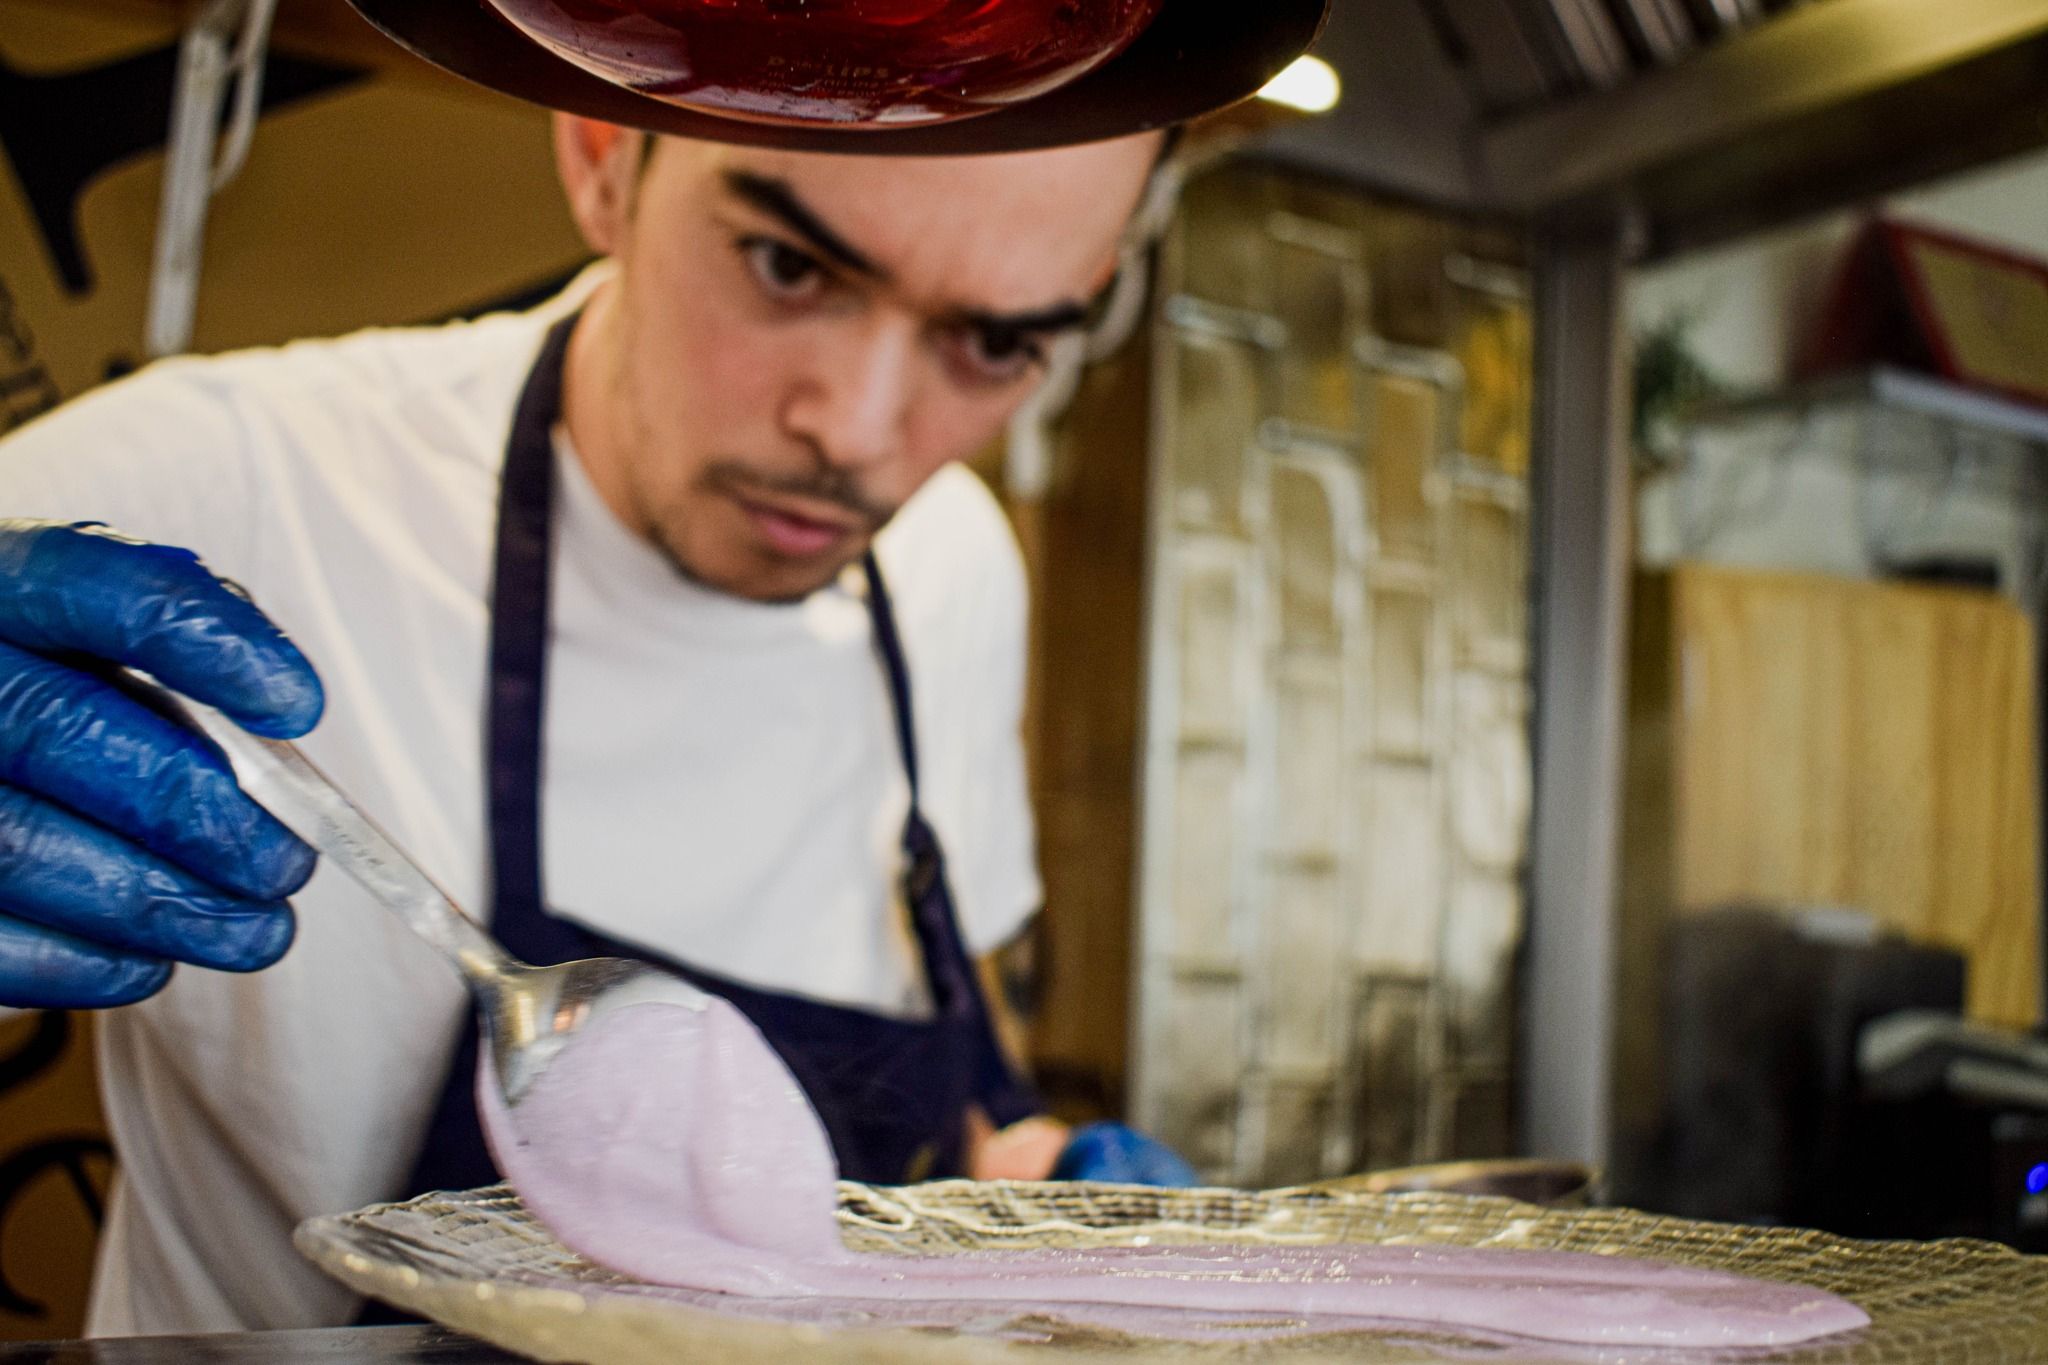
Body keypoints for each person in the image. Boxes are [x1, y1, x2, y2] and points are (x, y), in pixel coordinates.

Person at [0, 116, 1196, 1335]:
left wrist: (1018, 1216)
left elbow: (962, 1063)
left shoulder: (952, 565)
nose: (857, 432)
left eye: (995, 341)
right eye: (789, 266)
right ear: (602, 158)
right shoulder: (229, 491)